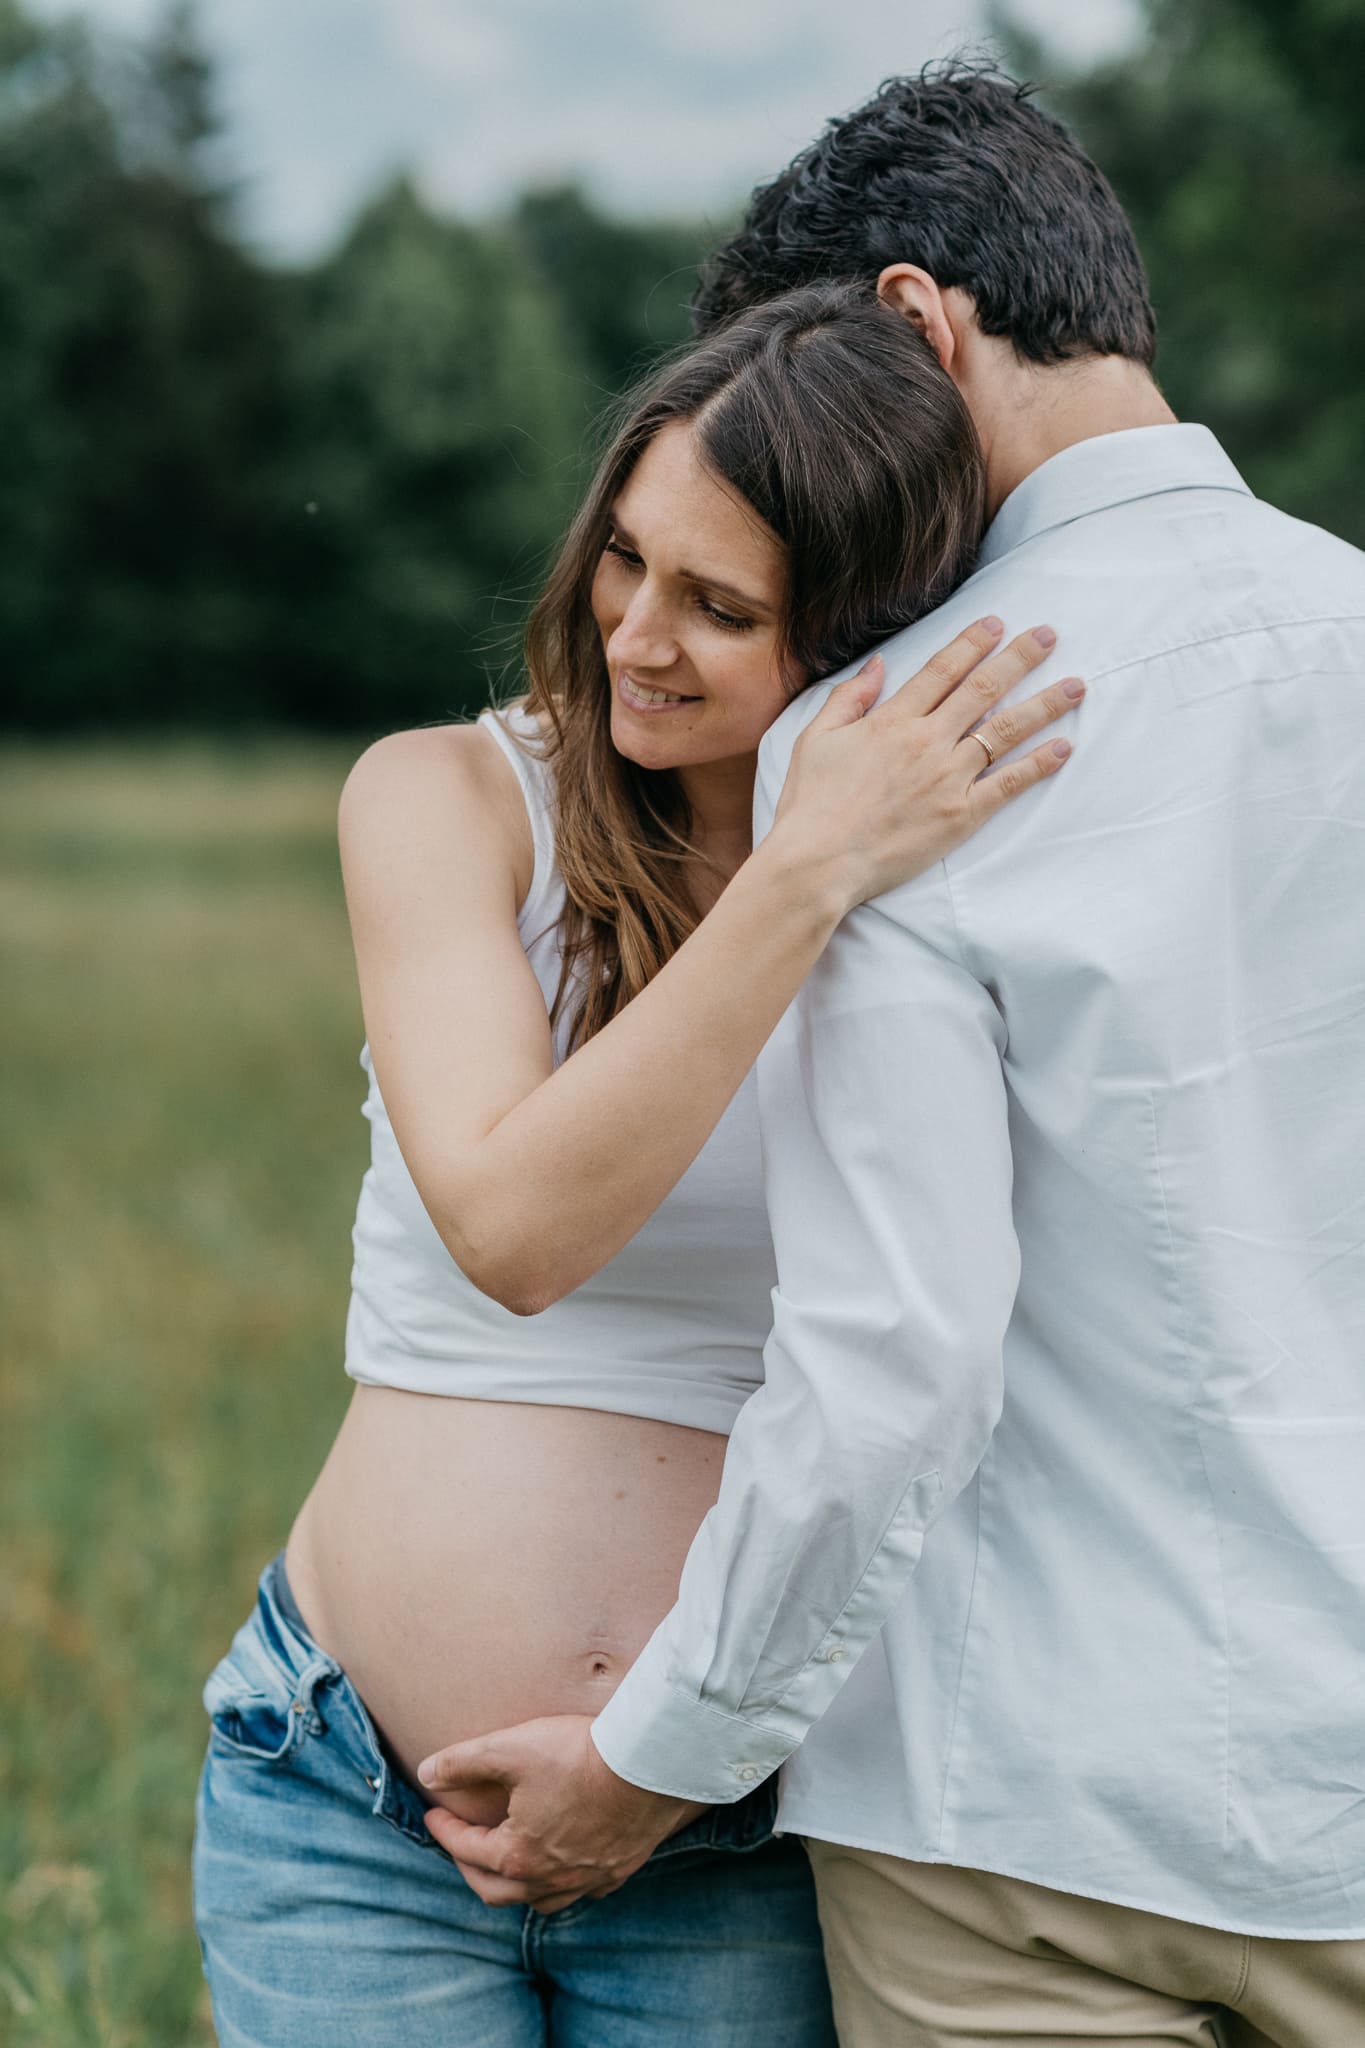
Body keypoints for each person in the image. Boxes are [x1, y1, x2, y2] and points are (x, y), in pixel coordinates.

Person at [418, 66, 1365, 2048]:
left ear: (918, 328)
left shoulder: (895, 733)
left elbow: (890, 1365)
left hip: (1023, 1841)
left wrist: (663, 1754)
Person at [191, 280, 1081, 2045]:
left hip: (731, 1828)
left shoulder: (943, 896)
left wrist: (841, 855)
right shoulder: (449, 801)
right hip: (354, 1810)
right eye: (624, 560)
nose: (634, 637)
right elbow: (516, 1227)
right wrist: (801, 870)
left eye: (720, 607)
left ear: (852, 633)